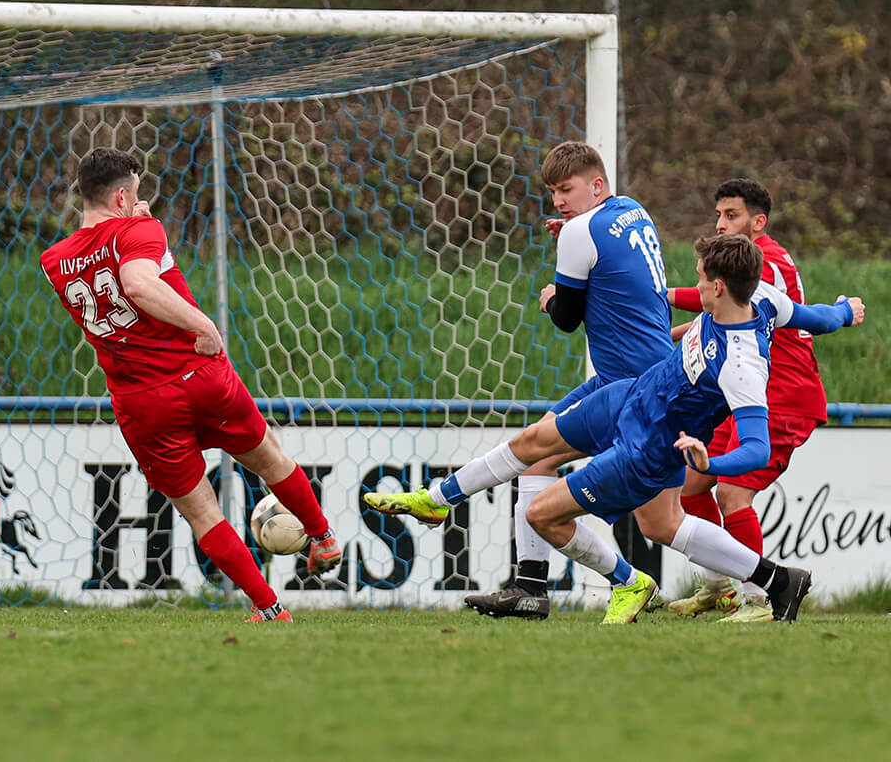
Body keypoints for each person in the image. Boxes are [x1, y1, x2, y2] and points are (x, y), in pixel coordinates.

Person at [366, 234, 864, 625]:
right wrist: (845, 311)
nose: (694, 286)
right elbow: (813, 317)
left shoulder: (741, 365)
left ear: (716, 287)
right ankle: (438, 498)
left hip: (645, 450)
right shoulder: (763, 298)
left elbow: (756, 447)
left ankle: (634, 581)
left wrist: (712, 463)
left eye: (699, 278)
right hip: (632, 395)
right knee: (536, 444)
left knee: (543, 514)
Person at [40, 148, 340, 623]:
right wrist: (205, 326)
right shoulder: (140, 231)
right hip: (200, 377)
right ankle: (323, 538)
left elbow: (106, 257)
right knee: (270, 459)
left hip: (142, 403)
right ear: (123, 195)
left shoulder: (54, 260)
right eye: (135, 193)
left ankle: (270, 608)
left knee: (203, 513)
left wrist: (133, 226)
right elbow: (137, 282)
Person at [465, 141, 673, 620]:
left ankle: (764, 579)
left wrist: (551, 297)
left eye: (566, 189)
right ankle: (530, 587)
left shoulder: (581, 232)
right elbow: (613, 267)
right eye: (553, 192)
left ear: (596, 185)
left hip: (632, 390)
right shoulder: (632, 211)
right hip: (642, 379)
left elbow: (566, 318)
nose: (558, 200)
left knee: (664, 523)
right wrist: (574, 234)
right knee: (537, 459)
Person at [664, 179, 830, 622]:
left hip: (782, 396)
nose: (721, 225)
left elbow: (712, 298)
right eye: (718, 215)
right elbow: (709, 310)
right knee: (692, 485)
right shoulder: (745, 264)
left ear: (759, 221)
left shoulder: (766, 262)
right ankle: (721, 589)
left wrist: (646, 298)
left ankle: (759, 598)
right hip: (744, 392)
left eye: (731, 216)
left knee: (733, 493)